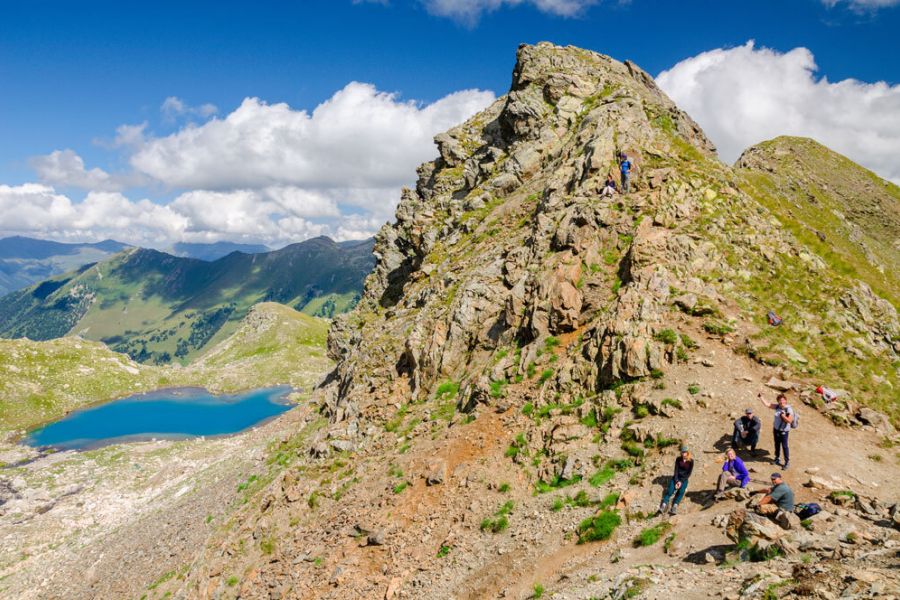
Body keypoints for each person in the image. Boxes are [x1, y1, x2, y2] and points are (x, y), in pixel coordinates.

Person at [759, 392, 794, 469]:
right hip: (776, 429)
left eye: (782, 400)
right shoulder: (777, 407)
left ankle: (787, 462)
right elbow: (768, 405)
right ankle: (777, 458)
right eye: (779, 400)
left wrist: (783, 416)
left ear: (785, 400)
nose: (781, 402)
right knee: (777, 444)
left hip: (784, 431)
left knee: (784, 446)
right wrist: (761, 397)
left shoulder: (788, 409)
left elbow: (790, 421)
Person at [658, 445, 693, 515]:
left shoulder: (691, 461)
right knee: (670, 491)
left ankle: (674, 506)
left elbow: (689, 473)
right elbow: (676, 471)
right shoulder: (678, 459)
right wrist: (677, 481)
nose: (683, 454)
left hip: (684, 479)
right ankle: (663, 506)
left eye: (685, 452)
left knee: (681, 492)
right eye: (682, 452)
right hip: (676, 478)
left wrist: (681, 482)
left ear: (687, 453)